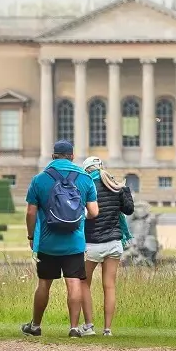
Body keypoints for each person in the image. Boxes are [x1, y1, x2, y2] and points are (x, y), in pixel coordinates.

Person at [22, 139, 99, 338]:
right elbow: (93, 211)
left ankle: (36, 325)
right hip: (74, 241)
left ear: (53, 156)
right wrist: (79, 218)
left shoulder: (39, 179)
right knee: (73, 283)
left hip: (48, 242)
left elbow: (30, 212)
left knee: (44, 283)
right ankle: (74, 328)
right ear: (72, 156)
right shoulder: (84, 178)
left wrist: (31, 236)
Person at [77, 156, 134, 336]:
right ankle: (108, 330)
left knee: (83, 284)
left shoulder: (85, 186)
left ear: (86, 171)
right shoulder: (115, 185)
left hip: (92, 243)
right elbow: (128, 210)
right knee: (109, 286)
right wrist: (124, 190)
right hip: (114, 242)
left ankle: (89, 326)